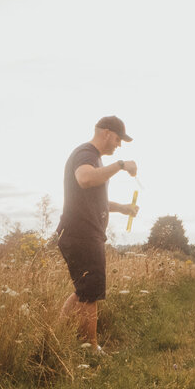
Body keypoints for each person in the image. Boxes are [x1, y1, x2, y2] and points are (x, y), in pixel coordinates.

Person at [56, 116, 139, 353]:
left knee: (83, 290)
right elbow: (85, 179)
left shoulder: (94, 159)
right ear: (106, 132)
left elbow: (94, 196)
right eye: (118, 138)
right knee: (90, 293)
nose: (119, 145)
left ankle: (56, 335)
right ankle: (91, 350)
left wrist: (123, 208)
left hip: (80, 233)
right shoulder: (86, 154)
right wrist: (121, 165)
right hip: (81, 234)